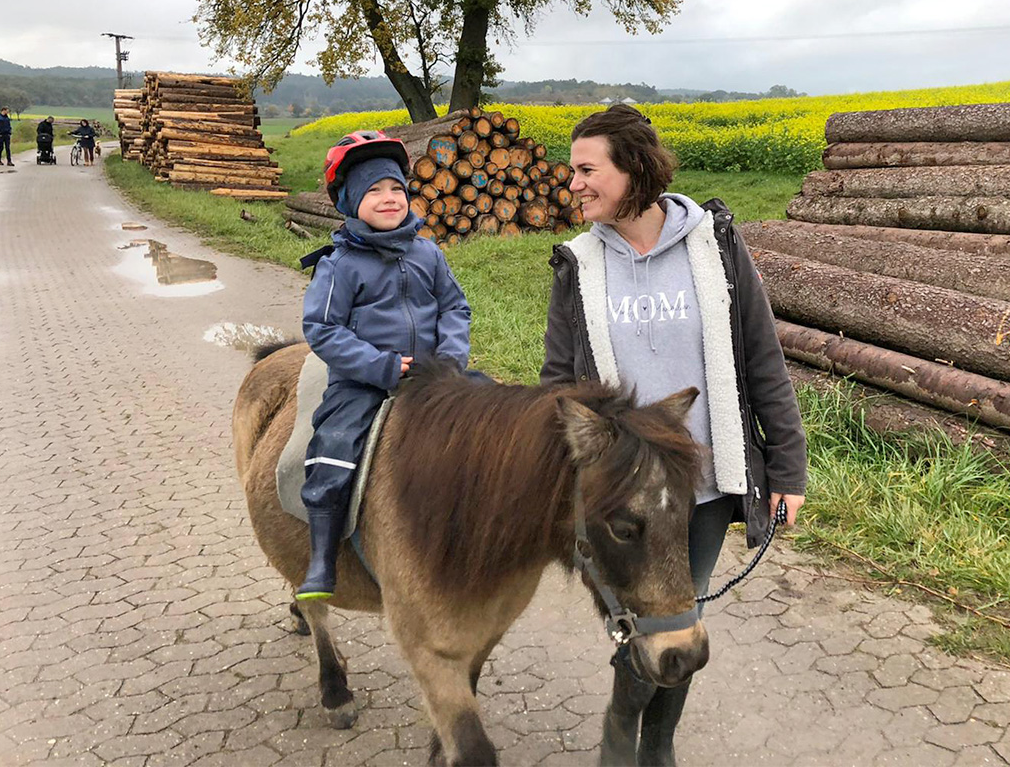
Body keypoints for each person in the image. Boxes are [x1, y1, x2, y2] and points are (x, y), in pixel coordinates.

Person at [539, 105, 808, 766]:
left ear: (632, 169)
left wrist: (788, 472)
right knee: (641, 621)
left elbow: (760, 359)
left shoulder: (712, 245)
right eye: (571, 169)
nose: (572, 182)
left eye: (585, 169)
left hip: (708, 482)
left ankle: (654, 745)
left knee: (679, 624)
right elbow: (555, 384)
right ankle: (619, 735)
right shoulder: (578, 264)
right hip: (625, 496)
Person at [296, 131, 472, 600]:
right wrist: (383, 367)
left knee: (492, 422)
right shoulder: (339, 265)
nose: (389, 198)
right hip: (364, 381)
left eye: (396, 188)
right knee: (332, 446)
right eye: (374, 191)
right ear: (351, 201)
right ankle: (322, 556)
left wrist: (451, 359)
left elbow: (455, 308)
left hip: (436, 376)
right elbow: (323, 329)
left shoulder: (427, 252)